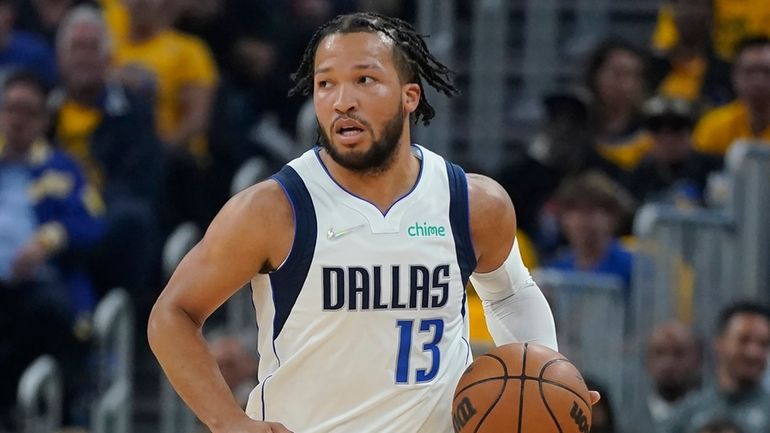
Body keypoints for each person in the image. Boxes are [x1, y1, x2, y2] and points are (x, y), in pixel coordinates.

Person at [148, 12, 598, 433]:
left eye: (364, 80)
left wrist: (546, 373)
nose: (343, 101)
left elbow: (511, 295)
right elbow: (172, 314)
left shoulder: (472, 203)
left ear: (409, 96)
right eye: (326, 84)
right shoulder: (274, 208)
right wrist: (229, 422)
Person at [0, 71, 104, 429]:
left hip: (38, 286)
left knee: (48, 313)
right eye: (11, 108)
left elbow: (92, 224)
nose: (17, 119)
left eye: (28, 111)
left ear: (44, 119)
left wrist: (47, 240)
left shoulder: (63, 168)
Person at [51, 5, 164, 304]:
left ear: (108, 58)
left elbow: (138, 182)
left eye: (92, 48)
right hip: (47, 209)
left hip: (107, 212)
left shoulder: (135, 111)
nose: (83, 57)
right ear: (61, 58)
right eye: (76, 48)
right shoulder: (44, 109)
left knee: (132, 220)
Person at [666, 302, 770, 433]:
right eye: (743, 340)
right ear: (719, 343)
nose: (753, 352)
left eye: (763, 344)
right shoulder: (687, 413)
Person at [625, 96, 722, 205]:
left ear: (690, 132)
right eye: (657, 128)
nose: (668, 139)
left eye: (677, 128)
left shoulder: (712, 168)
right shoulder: (640, 175)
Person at [693, 36, 770, 156]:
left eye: (767, 71)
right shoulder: (714, 126)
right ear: (735, 76)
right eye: (749, 72)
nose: (758, 81)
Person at [628, 321, 701, 433]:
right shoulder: (628, 420)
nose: (668, 363)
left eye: (678, 353)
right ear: (647, 360)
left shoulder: (711, 416)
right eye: (659, 353)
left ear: (696, 359)